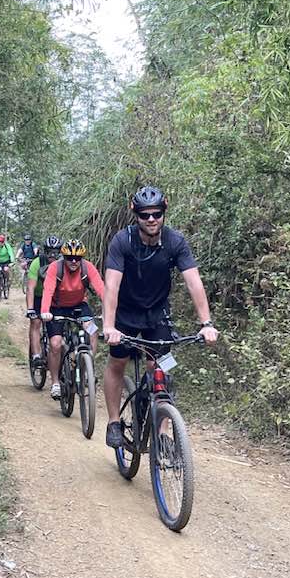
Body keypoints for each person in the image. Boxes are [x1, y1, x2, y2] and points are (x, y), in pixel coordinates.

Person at [101, 186, 219, 448]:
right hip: (126, 313)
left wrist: (206, 323)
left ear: (164, 212)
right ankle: (113, 422)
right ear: (136, 215)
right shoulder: (123, 241)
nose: (151, 219)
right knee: (117, 363)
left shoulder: (175, 241)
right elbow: (112, 286)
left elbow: (194, 282)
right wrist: (109, 325)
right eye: (145, 215)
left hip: (158, 314)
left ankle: (164, 433)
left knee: (163, 368)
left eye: (157, 214)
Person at [40, 239, 105, 400]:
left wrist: (109, 311)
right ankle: (55, 382)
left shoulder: (87, 267)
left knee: (93, 331)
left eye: (77, 258)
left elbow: (101, 289)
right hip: (57, 308)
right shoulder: (56, 267)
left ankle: (87, 367)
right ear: (64, 257)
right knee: (55, 344)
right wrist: (45, 311)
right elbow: (48, 290)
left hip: (78, 306)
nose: (74, 261)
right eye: (70, 258)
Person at [25, 235, 62, 369]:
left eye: (56, 252)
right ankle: (36, 356)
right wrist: (30, 309)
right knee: (35, 322)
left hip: (55, 298)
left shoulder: (63, 263)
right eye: (49, 252)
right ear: (44, 251)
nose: (52, 255)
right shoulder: (37, 263)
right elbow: (30, 288)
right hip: (38, 296)